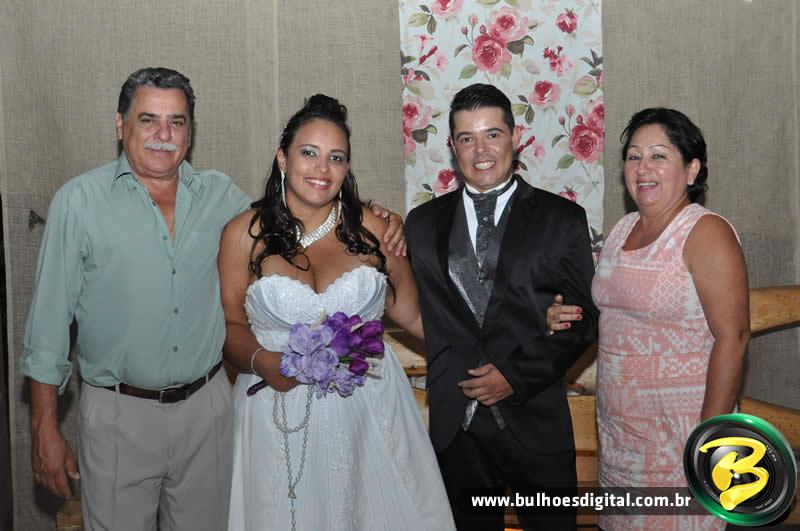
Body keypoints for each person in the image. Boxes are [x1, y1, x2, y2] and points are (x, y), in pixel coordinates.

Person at [21, 67, 406, 531]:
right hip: (119, 413)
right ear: (120, 124)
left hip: (208, 411)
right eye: (148, 120)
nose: (164, 135)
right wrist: (44, 428)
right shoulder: (79, 202)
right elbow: (47, 329)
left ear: (191, 130)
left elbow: (296, 215)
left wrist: (377, 218)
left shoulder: (222, 197)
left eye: (177, 122)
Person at [220, 94, 455, 531]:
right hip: (275, 408)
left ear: (347, 167)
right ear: (283, 159)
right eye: (309, 153)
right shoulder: (242, 234)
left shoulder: (377, 230)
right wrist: (265, 363)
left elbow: (416, 318)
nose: (322, 169)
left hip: (370, 410)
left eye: (336, 157)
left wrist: (500, 344)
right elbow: (230, 325)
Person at [405, 83, 599, 531]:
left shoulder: (561, 218)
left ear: (516, 137)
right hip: (457, 431)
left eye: (492, 134)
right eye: (467, 138)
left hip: (535, 422)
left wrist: (514, 375)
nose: (481, 150)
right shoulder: (422, 224)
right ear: (452, 147)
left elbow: (584, 321)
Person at [547, 108, 750, 530]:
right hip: (622, 437)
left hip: (681, 437)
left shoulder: (705, 232)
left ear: (691, 169)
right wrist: (561, 315)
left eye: (659, 155)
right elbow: (613, 313)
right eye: (634, 156)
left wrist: (707, 444)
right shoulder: (623, 230)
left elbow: (734, 337)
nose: (643, 168)